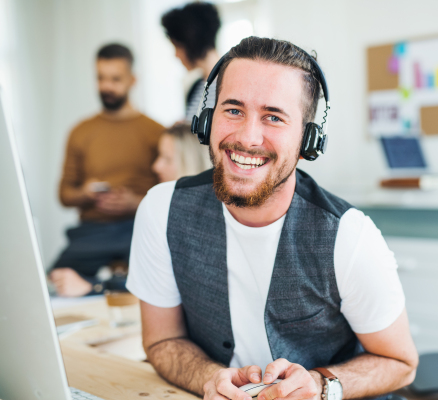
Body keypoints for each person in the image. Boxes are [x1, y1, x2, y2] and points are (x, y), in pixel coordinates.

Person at [126, 37, 418, 400]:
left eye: (273, 117)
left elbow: (402, 364)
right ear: (205, 121)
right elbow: (162, 339)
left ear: (307, 140)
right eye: (233, 110)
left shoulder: (349, 237)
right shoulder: (162, 209)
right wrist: (207, 377)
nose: (247, 137)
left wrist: (321, 385)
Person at [50, 43, 164, 297]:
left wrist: (136, 202)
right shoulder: (80, 132)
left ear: (132, 80)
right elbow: (64, 194)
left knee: (153, 276)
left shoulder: (155, 131)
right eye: (101, 78)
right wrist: (85, 193)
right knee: (54, 280)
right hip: (93, 232)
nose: (106, 87)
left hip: (137, 227)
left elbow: (171, 193)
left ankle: (103, 287)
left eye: (115, 79)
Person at [161, 2, 221, 121]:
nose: (176, 55)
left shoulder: (232, 84)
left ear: (191, 43)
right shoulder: (195, 87)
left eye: (177, 46)